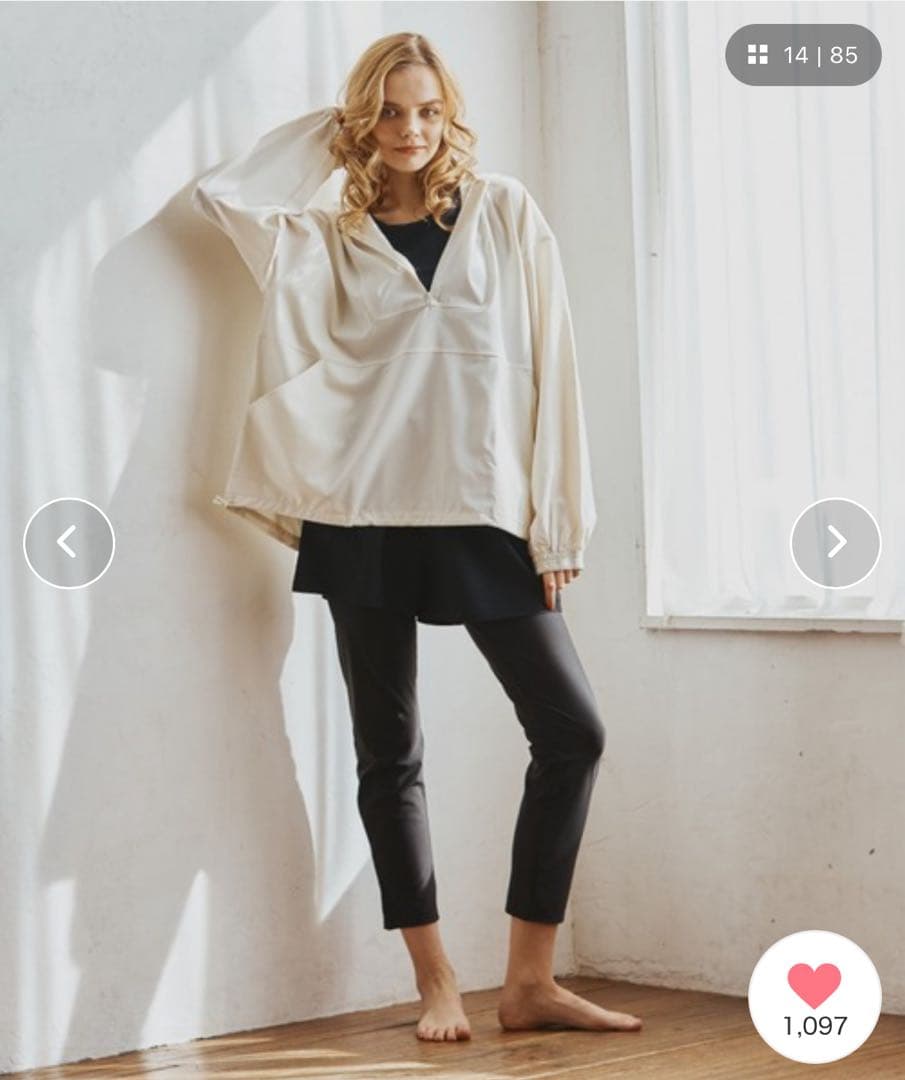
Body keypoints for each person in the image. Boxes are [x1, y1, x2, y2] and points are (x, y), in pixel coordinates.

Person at [191, 30, 642, 1043]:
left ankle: (529, 980)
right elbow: (224, 200)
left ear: (451, 117)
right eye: (390, 112)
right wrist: (331, 135)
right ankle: (435, 980)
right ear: (364, 120)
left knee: (571, 732)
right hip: (365, 516)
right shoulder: (327, 238)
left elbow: (554, 365)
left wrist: (555, 522)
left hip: (482, 511)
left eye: (428, 110)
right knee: (387, 754)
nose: (411, 130)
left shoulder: (504, 213)